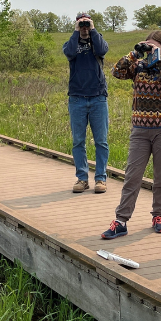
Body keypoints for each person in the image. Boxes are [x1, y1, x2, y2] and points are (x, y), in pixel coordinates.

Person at [101, 31, 161, 239]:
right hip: (140, 128)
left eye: (152, 46)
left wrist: (159, 58)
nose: (148, 50)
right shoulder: (138, 66)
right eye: (147, 46)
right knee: (132, 175)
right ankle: (121, 220)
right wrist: (135, 53)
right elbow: (117, 72)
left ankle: (158, 215)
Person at [63, 13, 110, 193]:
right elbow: (69, 52)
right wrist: (76, 32)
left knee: (101, 141)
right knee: (78, 141)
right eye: (81, 24)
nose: (83, 27)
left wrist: (93, 29)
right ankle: (82, 178)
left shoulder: (98, 40)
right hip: (77, 98)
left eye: (86, 24)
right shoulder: (71, 42)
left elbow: (102, 50)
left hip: (98, 97)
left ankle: (100, 179)